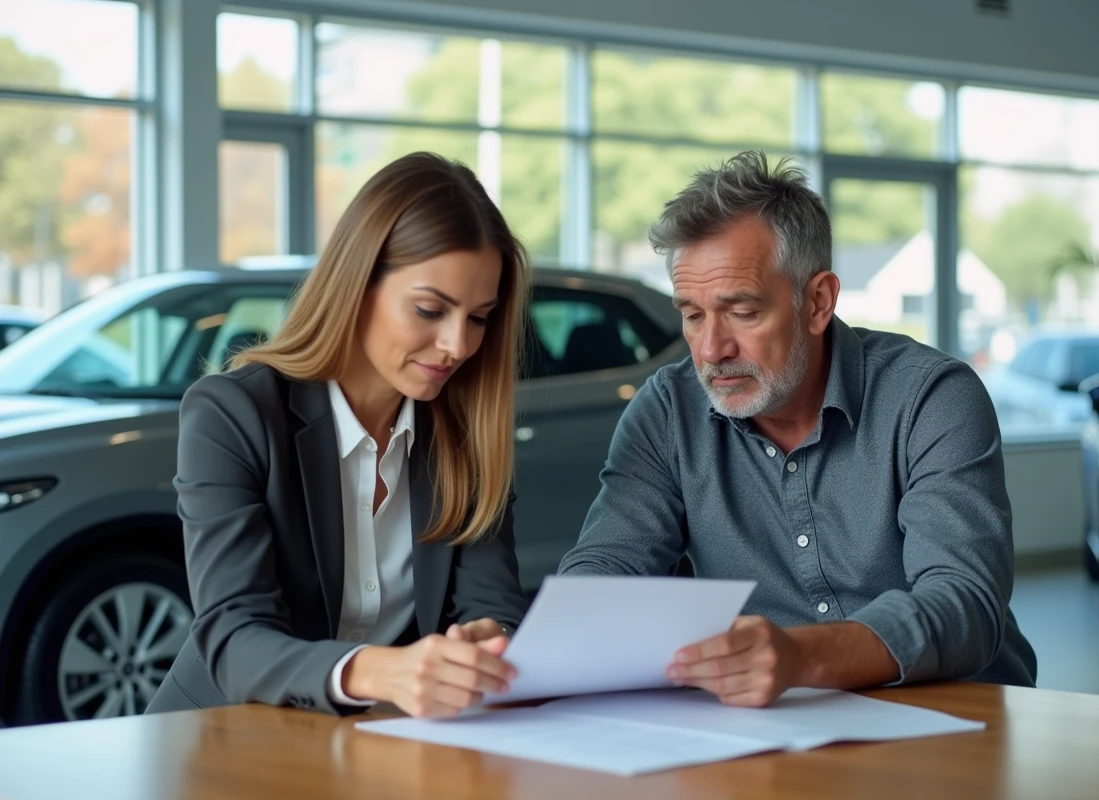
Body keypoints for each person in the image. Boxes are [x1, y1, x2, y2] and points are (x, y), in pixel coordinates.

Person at [559, 151, 1036, 707]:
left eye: (743, 312)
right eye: (692, 315)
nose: (711, 350)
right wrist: (545, 640)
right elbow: (608, 563)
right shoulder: (668, 410)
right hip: (777, 728)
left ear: (818, 301)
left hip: (955, 718)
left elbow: (963, 600)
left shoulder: (930, 397)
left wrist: (802, 657)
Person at [147, 152, 530, 718]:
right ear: (358, 284)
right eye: (430, 309)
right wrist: (381, 670)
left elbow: (494, 606)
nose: (458, 345)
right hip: (223, 736)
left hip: (379, 742)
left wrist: (477, 647)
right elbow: (234, 637)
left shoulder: (463, 430)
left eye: (478, 317)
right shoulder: (233, 413)